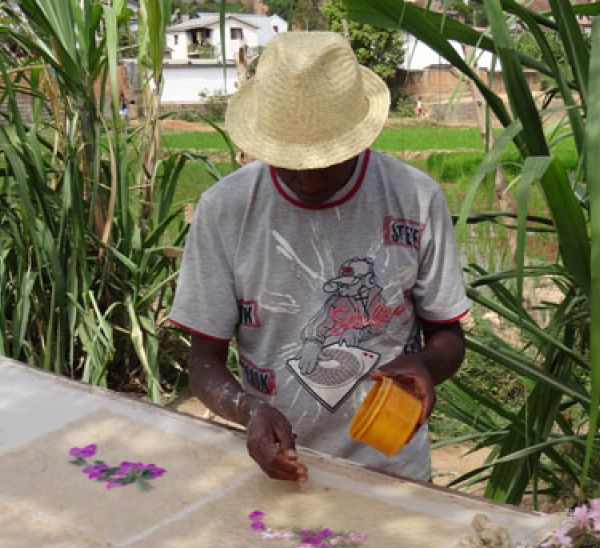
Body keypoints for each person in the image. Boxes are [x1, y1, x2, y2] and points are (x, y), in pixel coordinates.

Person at [169, 31, 469, 484]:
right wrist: (250, 409)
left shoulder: (415, 199)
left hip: (393, 470)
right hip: (278, 469)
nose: (308, 179)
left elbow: (448, 334)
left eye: (326, 159)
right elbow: (203, 362)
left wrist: (425, 364)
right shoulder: (225, 210)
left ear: (358, 134)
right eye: (291, 161)